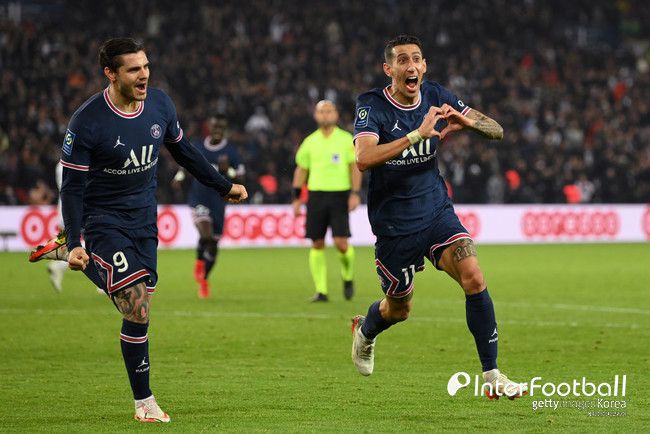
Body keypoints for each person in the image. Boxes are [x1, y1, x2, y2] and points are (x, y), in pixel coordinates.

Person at [29, 38, 247, 422]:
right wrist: (77, 237)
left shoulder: (160, 105)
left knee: (136, 303)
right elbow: (72, 187)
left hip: (144, 219)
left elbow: (184, 152)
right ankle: (144, 403)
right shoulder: (87, 121)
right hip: (102, 219)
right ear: (111, 74)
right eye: (133, 69)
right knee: (137, 305)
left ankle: (66, 252)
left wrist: (222, 186)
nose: (144, 74)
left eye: (145, 66)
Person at [350, 35, 526, 399]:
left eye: (416, 59)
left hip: (435, 211)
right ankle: (366, 330)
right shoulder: (371, 105)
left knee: (474, 276)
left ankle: (492, 374)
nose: (411, 66)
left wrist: (467, 122)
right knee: (399, 309)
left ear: (424, 65)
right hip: (395, 225)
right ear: (389, 69)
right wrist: (417, 134)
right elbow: (364, 159)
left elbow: (497, 130)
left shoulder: (436, 94)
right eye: (402, 60)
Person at [292, 100, 362, 302]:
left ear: (336, 114)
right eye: (321, 111)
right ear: (316, 115)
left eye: (329, 111)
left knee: (341, 243)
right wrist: (296, 198)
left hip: (340, 195)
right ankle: (321, 291)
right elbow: (301, 170)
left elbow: (354, 168)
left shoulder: (346, 139)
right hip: (316, 195)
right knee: (317, 242)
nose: (325, 114)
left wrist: (355, 193)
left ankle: (347, 276)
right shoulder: (309, 142)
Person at [172, 114, 245, 298]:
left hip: (219, 202)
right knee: (206, 234)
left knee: (213, 244)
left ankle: (204, 279)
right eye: (215, 127)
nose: (218, 130)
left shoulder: (231, 151)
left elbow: (242, 179)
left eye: (221, 128)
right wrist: (179, 178)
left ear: (225, 129)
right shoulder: (198, 146)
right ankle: (199, 262)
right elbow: (186, 166)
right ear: (209, 127)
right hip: (199, 199)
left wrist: (228, 171)